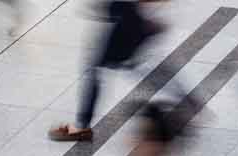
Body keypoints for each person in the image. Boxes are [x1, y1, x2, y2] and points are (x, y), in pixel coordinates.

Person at [48, 0, 173, 141]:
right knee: (129, 65)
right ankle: (185, 100)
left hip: (129, 19)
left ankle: (82, 127)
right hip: (129, 17)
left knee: (98, 69)